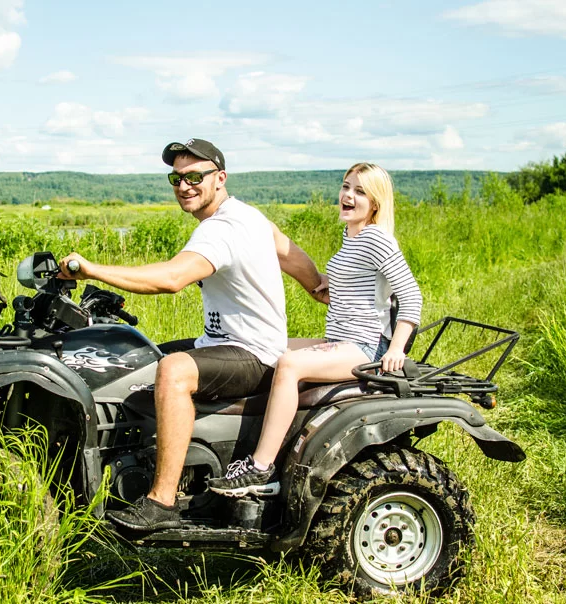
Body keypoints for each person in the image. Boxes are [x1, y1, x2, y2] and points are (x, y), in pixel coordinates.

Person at [58, 138, 324, 531]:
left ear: (220, 178)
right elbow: (291, 254)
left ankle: (161, 501)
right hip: (231, 344)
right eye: (177, 178)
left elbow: (171, 278)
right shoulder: (249, 216)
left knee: (173, 371)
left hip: (251, 353)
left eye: (195, 176)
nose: (184, 186)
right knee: (141, 359)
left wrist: (92, 269)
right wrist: (320, 288)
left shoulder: (221, 229)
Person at [208, 162, 422, 497]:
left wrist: (396, 349)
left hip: (365, 345)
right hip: (341, 338)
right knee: (269, 346)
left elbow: (411, 295)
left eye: (360, 191)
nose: (348, 195)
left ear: (376, 203)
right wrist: (328, 284)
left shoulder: (376, 238)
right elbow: (360, 286)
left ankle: (261, 469)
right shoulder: (351, 234)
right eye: (346, 186)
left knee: (290, 365)